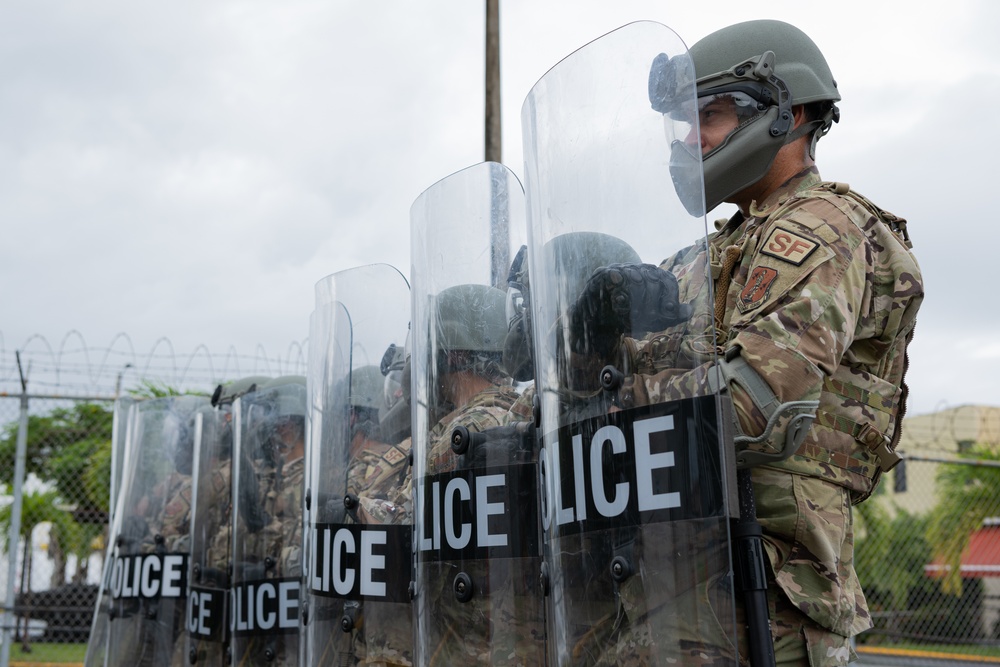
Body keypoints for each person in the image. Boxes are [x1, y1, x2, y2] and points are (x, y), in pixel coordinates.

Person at [576, 19, 923, 666]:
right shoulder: (711, 252)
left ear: (785, 114)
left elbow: (754, 410)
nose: (685, 137)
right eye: (679, 120)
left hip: (762, 611)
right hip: (666, 597)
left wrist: (613, 403)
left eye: (706, 114)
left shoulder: (824, 229)